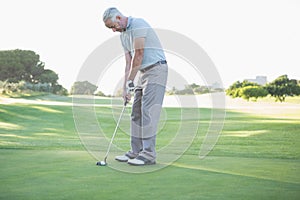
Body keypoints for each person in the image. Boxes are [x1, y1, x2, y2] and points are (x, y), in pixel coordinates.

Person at [102, 7, 168, 166]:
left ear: (118, 17)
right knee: (135, 112)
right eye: (110, 28)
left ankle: (148, 154)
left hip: (156, 69)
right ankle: (135, 151)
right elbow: (128, 63)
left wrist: (131, 81)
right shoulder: (122, 35)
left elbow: (139, 54)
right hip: (141, 71)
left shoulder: (138, 24)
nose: (113, 30)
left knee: (147, 111)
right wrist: (126, 88)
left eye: (113, 26)